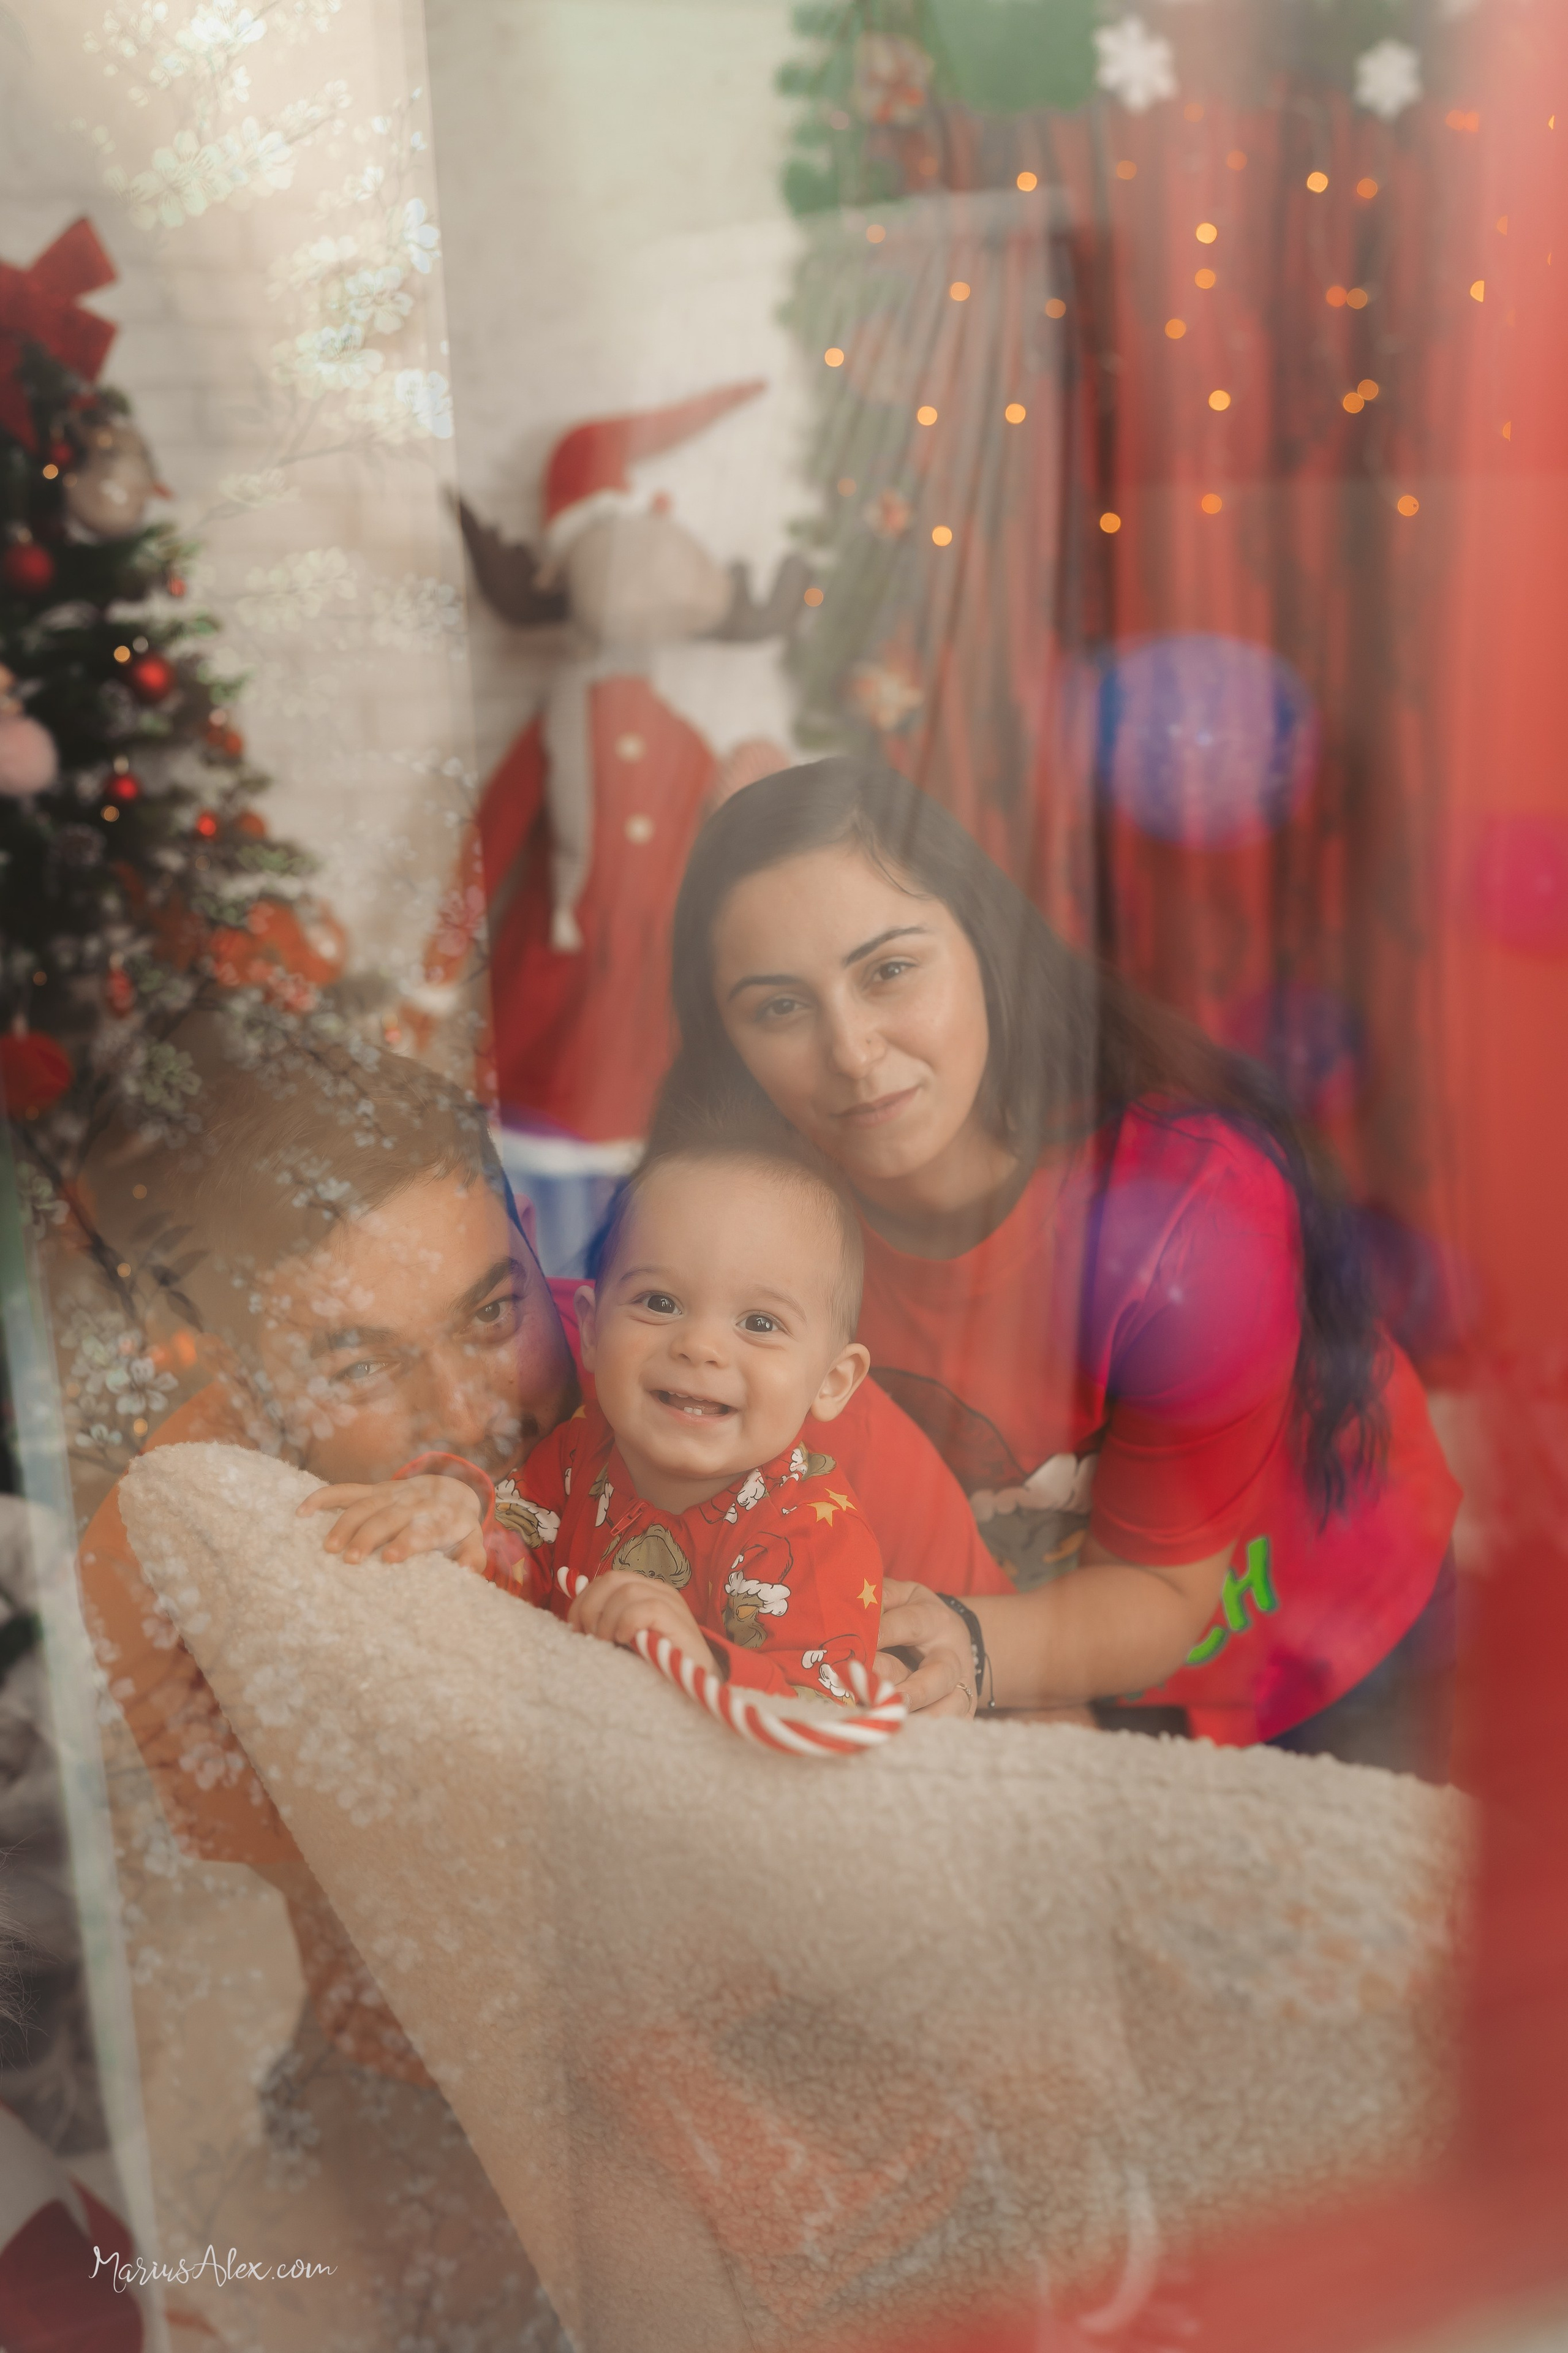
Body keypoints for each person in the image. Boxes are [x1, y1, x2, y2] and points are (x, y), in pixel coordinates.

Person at [650, 758, 1463, 1772]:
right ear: (727, 1045)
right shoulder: (740, 1213)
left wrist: (979, 1653)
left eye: (891, 970)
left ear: (983, 946)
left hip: (1311, 1628)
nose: (853, 1052)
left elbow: (1164, 1597)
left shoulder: (1187, 1213)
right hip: (1038, 1624)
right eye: (779, 1008)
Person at [305, 1131, 889, 1709]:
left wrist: (707, 1668)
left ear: (833, 1382)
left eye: (760, 1323)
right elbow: (513, 1568)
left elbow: (822, 1721)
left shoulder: (814, 1535)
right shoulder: (573, 1453)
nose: (701, 1346)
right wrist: (461, 1529)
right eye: (660, 1302)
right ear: (591, 1330)